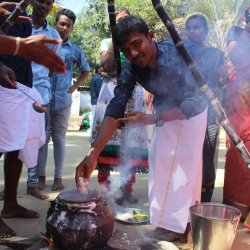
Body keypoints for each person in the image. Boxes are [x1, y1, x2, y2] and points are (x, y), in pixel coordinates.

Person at [76, 16, 212, 242]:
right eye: (126, 51)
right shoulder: (131, 67)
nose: (133, 54)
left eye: (137, 45)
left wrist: (152, 118)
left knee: (180, 170)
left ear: (151, 36)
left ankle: (176, 227)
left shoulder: (176, 56)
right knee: (160, 162)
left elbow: (195, 101)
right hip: (163, 114)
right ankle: (169, 223)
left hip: (190, 113)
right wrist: (94, 153)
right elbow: (117, 105)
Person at [0, 1, 65, 238]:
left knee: (16, 147)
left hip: (20, 87)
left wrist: (31, 92)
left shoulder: (20, 13)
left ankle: (10, 203)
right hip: (1, 86)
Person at [91, 8, 148, 205]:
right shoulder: (107, 42)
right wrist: (116, 40)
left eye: (125, 20)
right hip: (112, 94)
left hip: (135, 91)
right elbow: (106, 66)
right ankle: (105, 189)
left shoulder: (137, 45)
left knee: (130, 141)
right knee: (107, 139)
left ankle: (126, 189)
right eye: (118, 21)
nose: (122, 25)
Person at [36, 8, 90, 191]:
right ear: (55, 24)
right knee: (41, 139)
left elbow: (86, 70)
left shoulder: (74, 50)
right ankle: (40, 176)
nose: (64, 27)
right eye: (62, 23)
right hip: (42, 99)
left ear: (72, 29)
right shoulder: (45, 43)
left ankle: (58, 178)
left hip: (62, 101)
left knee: (59, 139)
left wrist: (73, 88)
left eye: (68, 25)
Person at [185, 14, 225, 202]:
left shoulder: (216, 54)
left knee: (207, 151)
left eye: (197, 27)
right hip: (186, 110)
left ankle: (204, 197)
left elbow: (219, 80)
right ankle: (187, 194)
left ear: (206, 31)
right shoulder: (181, 52)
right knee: (189, 151)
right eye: (189, 28)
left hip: (209, 110)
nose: (192, 31)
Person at [26, 0, 61, 199]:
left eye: (49, 3)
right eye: (40, 0)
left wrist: (39, 87)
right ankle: (10, 188)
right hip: (16, 90)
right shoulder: (21, 25)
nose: (44, 6)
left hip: (41, 94)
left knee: (36, 140)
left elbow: (52, 69)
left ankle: (32, 184)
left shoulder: (53, 35)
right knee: (9, 141)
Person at [223, 8, 250, 225]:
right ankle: (235, 211)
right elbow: (236, 56)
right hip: (239, 99)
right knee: (239, 154)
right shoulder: (235, 33)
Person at [89, 66, 102, 132]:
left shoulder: (94, 78)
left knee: (93, 117)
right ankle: (93, 133)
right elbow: (99, 92)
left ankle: (92, 132)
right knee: (95, 118)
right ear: (99, 70)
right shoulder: (98, 79)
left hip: (93, 101)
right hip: (96, 101)